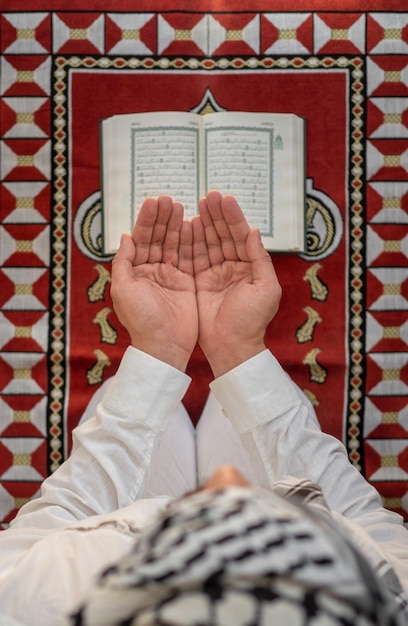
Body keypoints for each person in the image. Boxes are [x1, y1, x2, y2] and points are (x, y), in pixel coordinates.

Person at [0, 192, 407, 626]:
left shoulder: (33, 598)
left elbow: (58, 519)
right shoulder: (386, 596)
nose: (227, 480)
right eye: (254, 521)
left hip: (109, 529)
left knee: (157, 409)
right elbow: (362, 519)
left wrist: (158, 353)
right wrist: (238, 351)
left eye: (206, 523)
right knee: (226, 406)